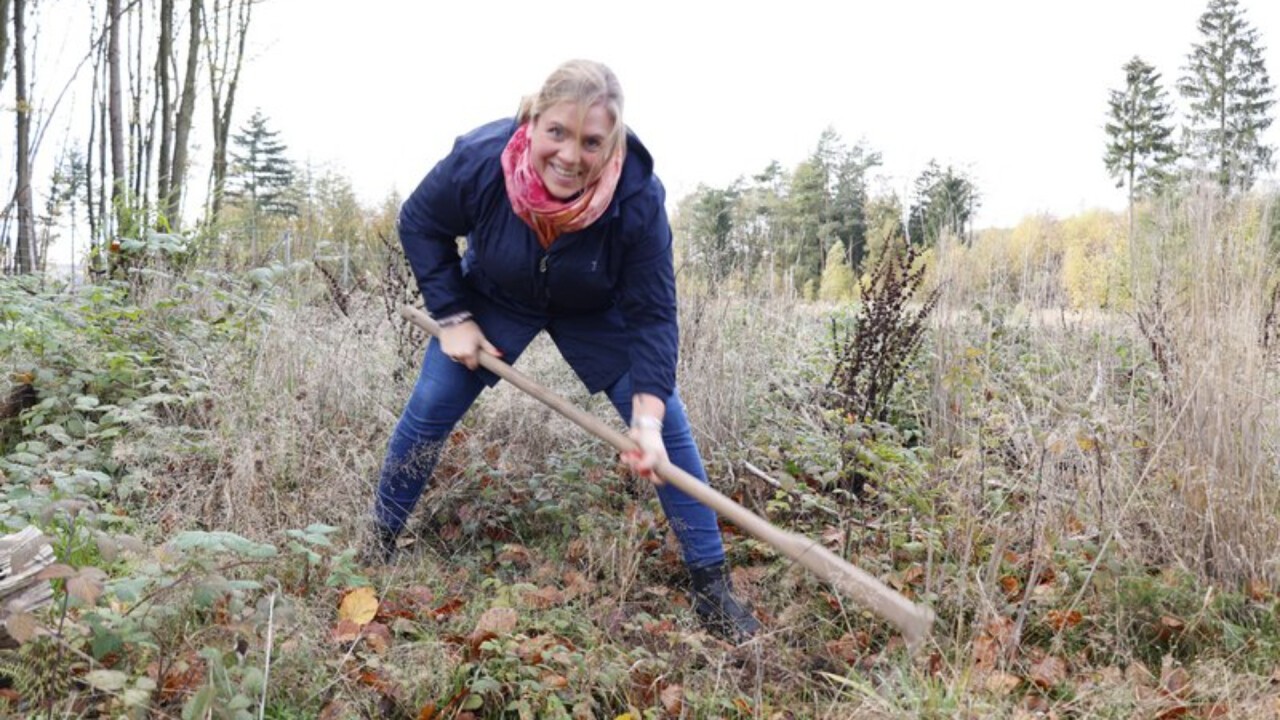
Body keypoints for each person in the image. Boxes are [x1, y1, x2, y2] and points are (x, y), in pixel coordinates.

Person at [373, 59, 760, 643]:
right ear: (532, 120)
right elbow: (420, 222)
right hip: (496, 294)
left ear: (613, 143)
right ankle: (376, 545)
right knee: (429, 406)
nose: (571, 155)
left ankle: (712, 588)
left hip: (594, 308)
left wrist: (647, 420)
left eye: (591, 141)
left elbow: (653, 313)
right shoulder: (480, 160)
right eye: (557, 132)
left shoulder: (637, 198)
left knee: (669, 434)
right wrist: (452, 315)